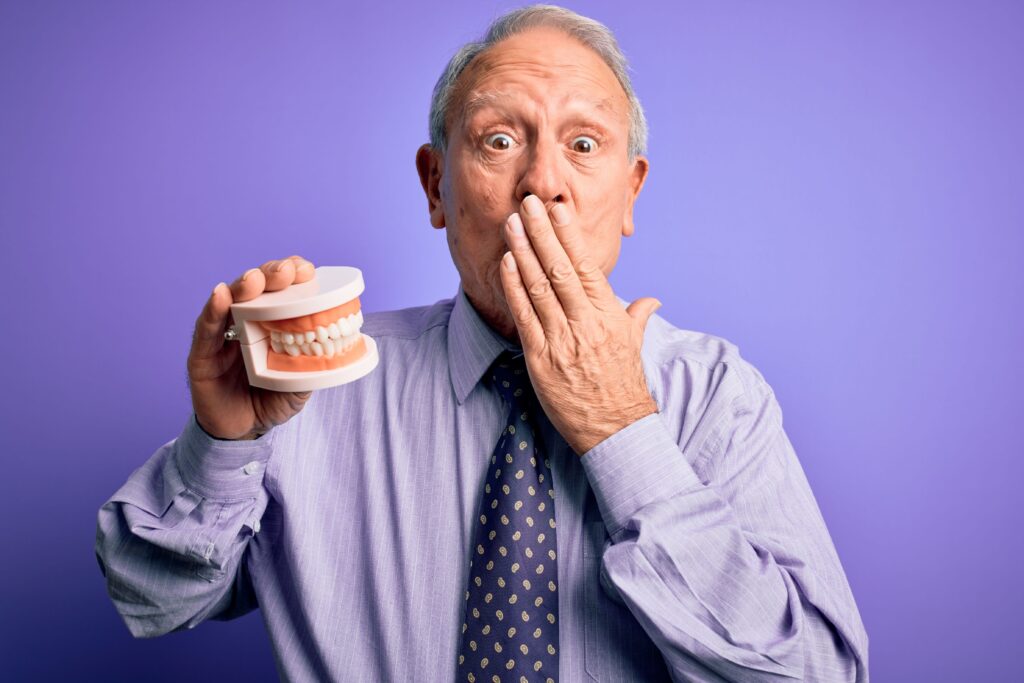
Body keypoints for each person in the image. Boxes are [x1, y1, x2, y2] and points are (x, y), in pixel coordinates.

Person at [95, 5, 869, 681]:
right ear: (437, 187)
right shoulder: (312, 389)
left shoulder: (715, 396)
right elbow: (152, 599)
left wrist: (623, 433)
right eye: (499, 140)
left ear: (630, 194)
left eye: (585, 146)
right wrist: (221, 442)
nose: (542, 182)